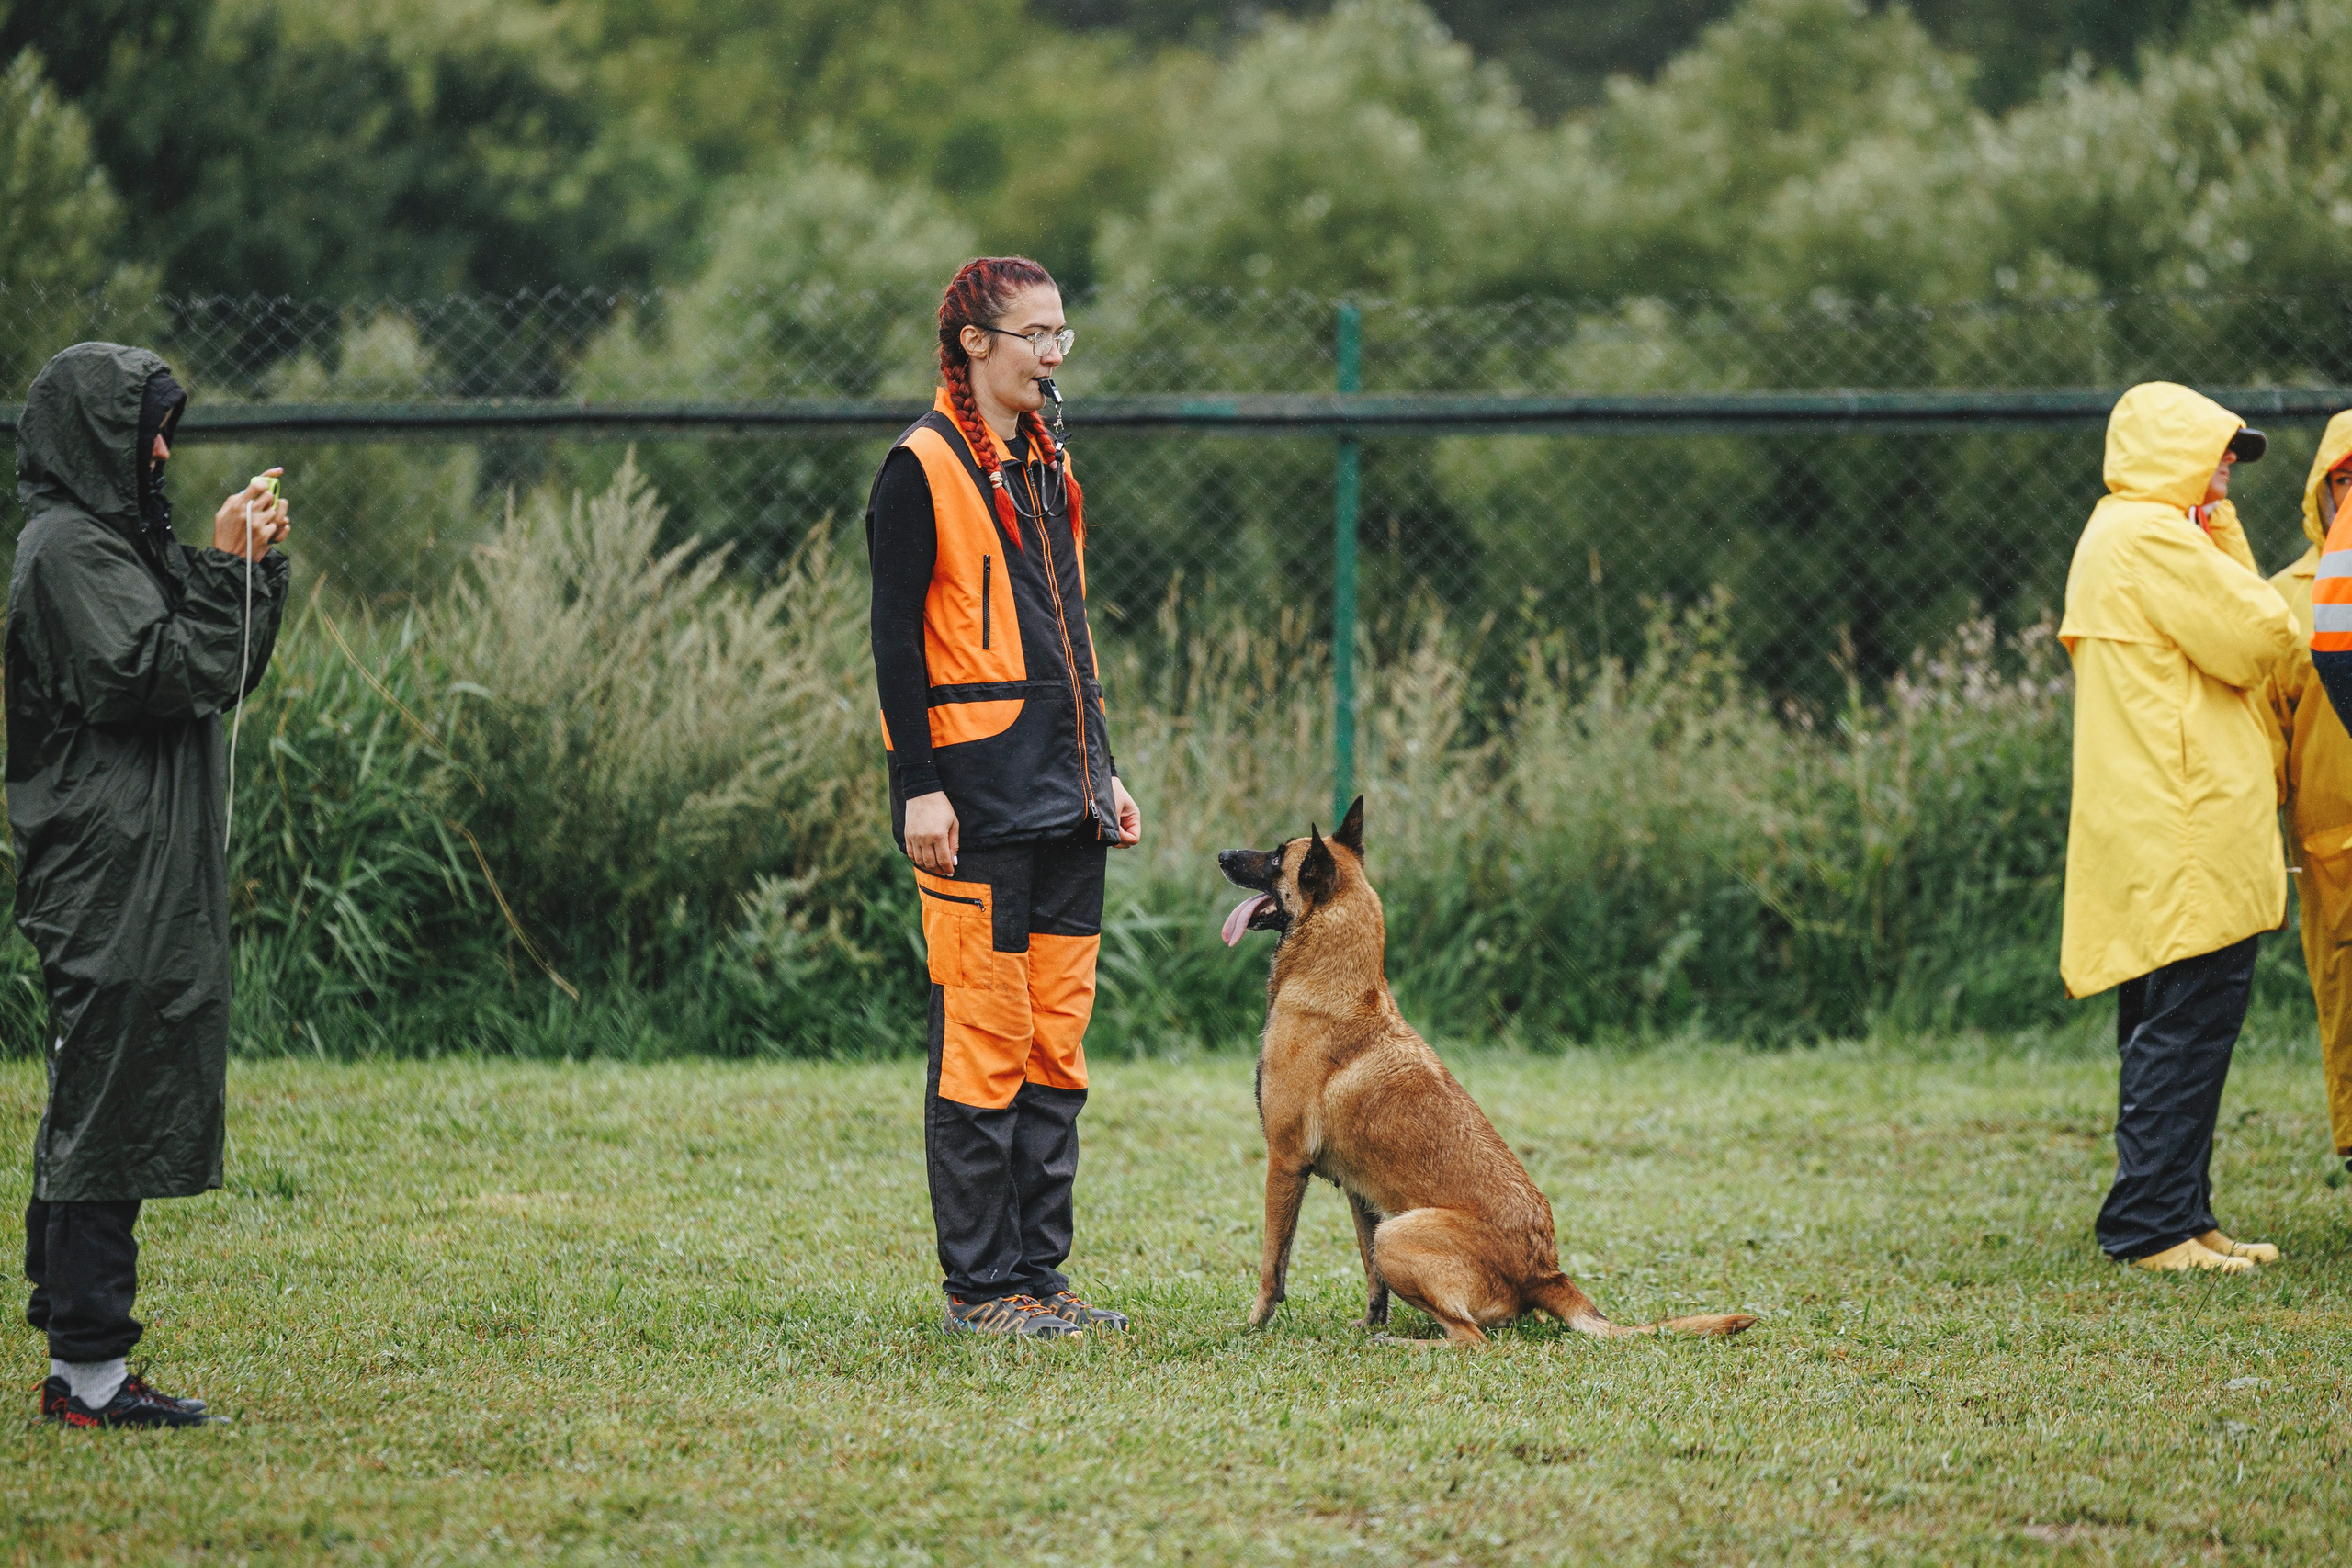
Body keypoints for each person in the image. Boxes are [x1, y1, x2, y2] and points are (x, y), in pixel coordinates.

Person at [8, 344, 291, 1426]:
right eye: (148, 431)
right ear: (98, 437)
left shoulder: (113, 540)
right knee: (105, 1106)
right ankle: (88, 1374)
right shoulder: (65, 550)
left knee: (106, 1094)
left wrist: (245, 566)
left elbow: (215, 668)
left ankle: (76, 1355)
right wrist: (223, 564)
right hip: (104, 865)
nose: (164, 450)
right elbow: (151, 673)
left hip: (140, 860)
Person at [865, 257, 1141, 1338]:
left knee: (1053, 1047)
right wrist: (918, 789)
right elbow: (895, 644)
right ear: (974, 343)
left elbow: (1071, 636)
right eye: (1035, 334)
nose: (1054, 353)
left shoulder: (1048, 467)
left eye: (1062, 333)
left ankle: (1041, 1277)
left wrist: (1102, 770)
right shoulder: (919, 468)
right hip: (972, 800)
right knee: (982, 1040)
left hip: (1066, 797)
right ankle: (981, 1293)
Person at [2061, 381, 2299, 1273]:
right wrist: (2223, 531)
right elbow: (2262, 634)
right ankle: (2152, 1227)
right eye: (2217, 446)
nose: (2230, 462)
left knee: (2167, 1022)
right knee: (2187, 1027)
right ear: (2171, 453)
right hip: (2189, 824)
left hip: (2156, 818)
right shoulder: (2154, 537)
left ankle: (2179, 1215)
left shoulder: (2122, 533)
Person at [2278, 413, 2352, 1176]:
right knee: (2348, 1000)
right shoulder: (2284, 601)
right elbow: (2262, 739)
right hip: (2336, 851)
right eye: (2345, 480)